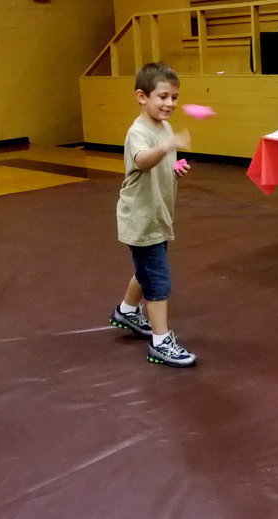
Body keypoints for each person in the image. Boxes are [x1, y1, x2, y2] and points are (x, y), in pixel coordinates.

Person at [109, 62, 197, 367]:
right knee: (158, 281)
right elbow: (143, 160)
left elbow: (161, 163)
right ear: (141, 96)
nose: (170, 103)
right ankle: (161, 342)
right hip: (141, 217)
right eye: (162, 96)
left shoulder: (165, 127)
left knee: (147, 269)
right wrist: (167, 146)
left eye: (174, 97)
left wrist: (175, 166)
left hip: (158, 214)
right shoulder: (139, 132)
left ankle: (127, 311)